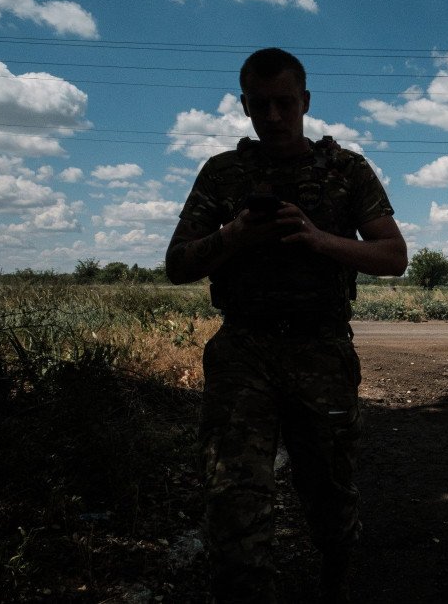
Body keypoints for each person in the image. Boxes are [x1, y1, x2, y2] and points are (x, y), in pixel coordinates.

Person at [166, 47, 408, 603]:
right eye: (260, 105)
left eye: (285, 103)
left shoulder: (345, 170)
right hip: (244, 350)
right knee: (234, 501)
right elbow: (177, 265)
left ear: (306, 102)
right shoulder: (224, 173)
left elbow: (394, 255)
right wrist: (232, 236)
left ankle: (336, 577)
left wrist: (318, 239)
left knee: (328, 497)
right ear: (244, 106)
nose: (273, 117)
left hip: (321, 349)